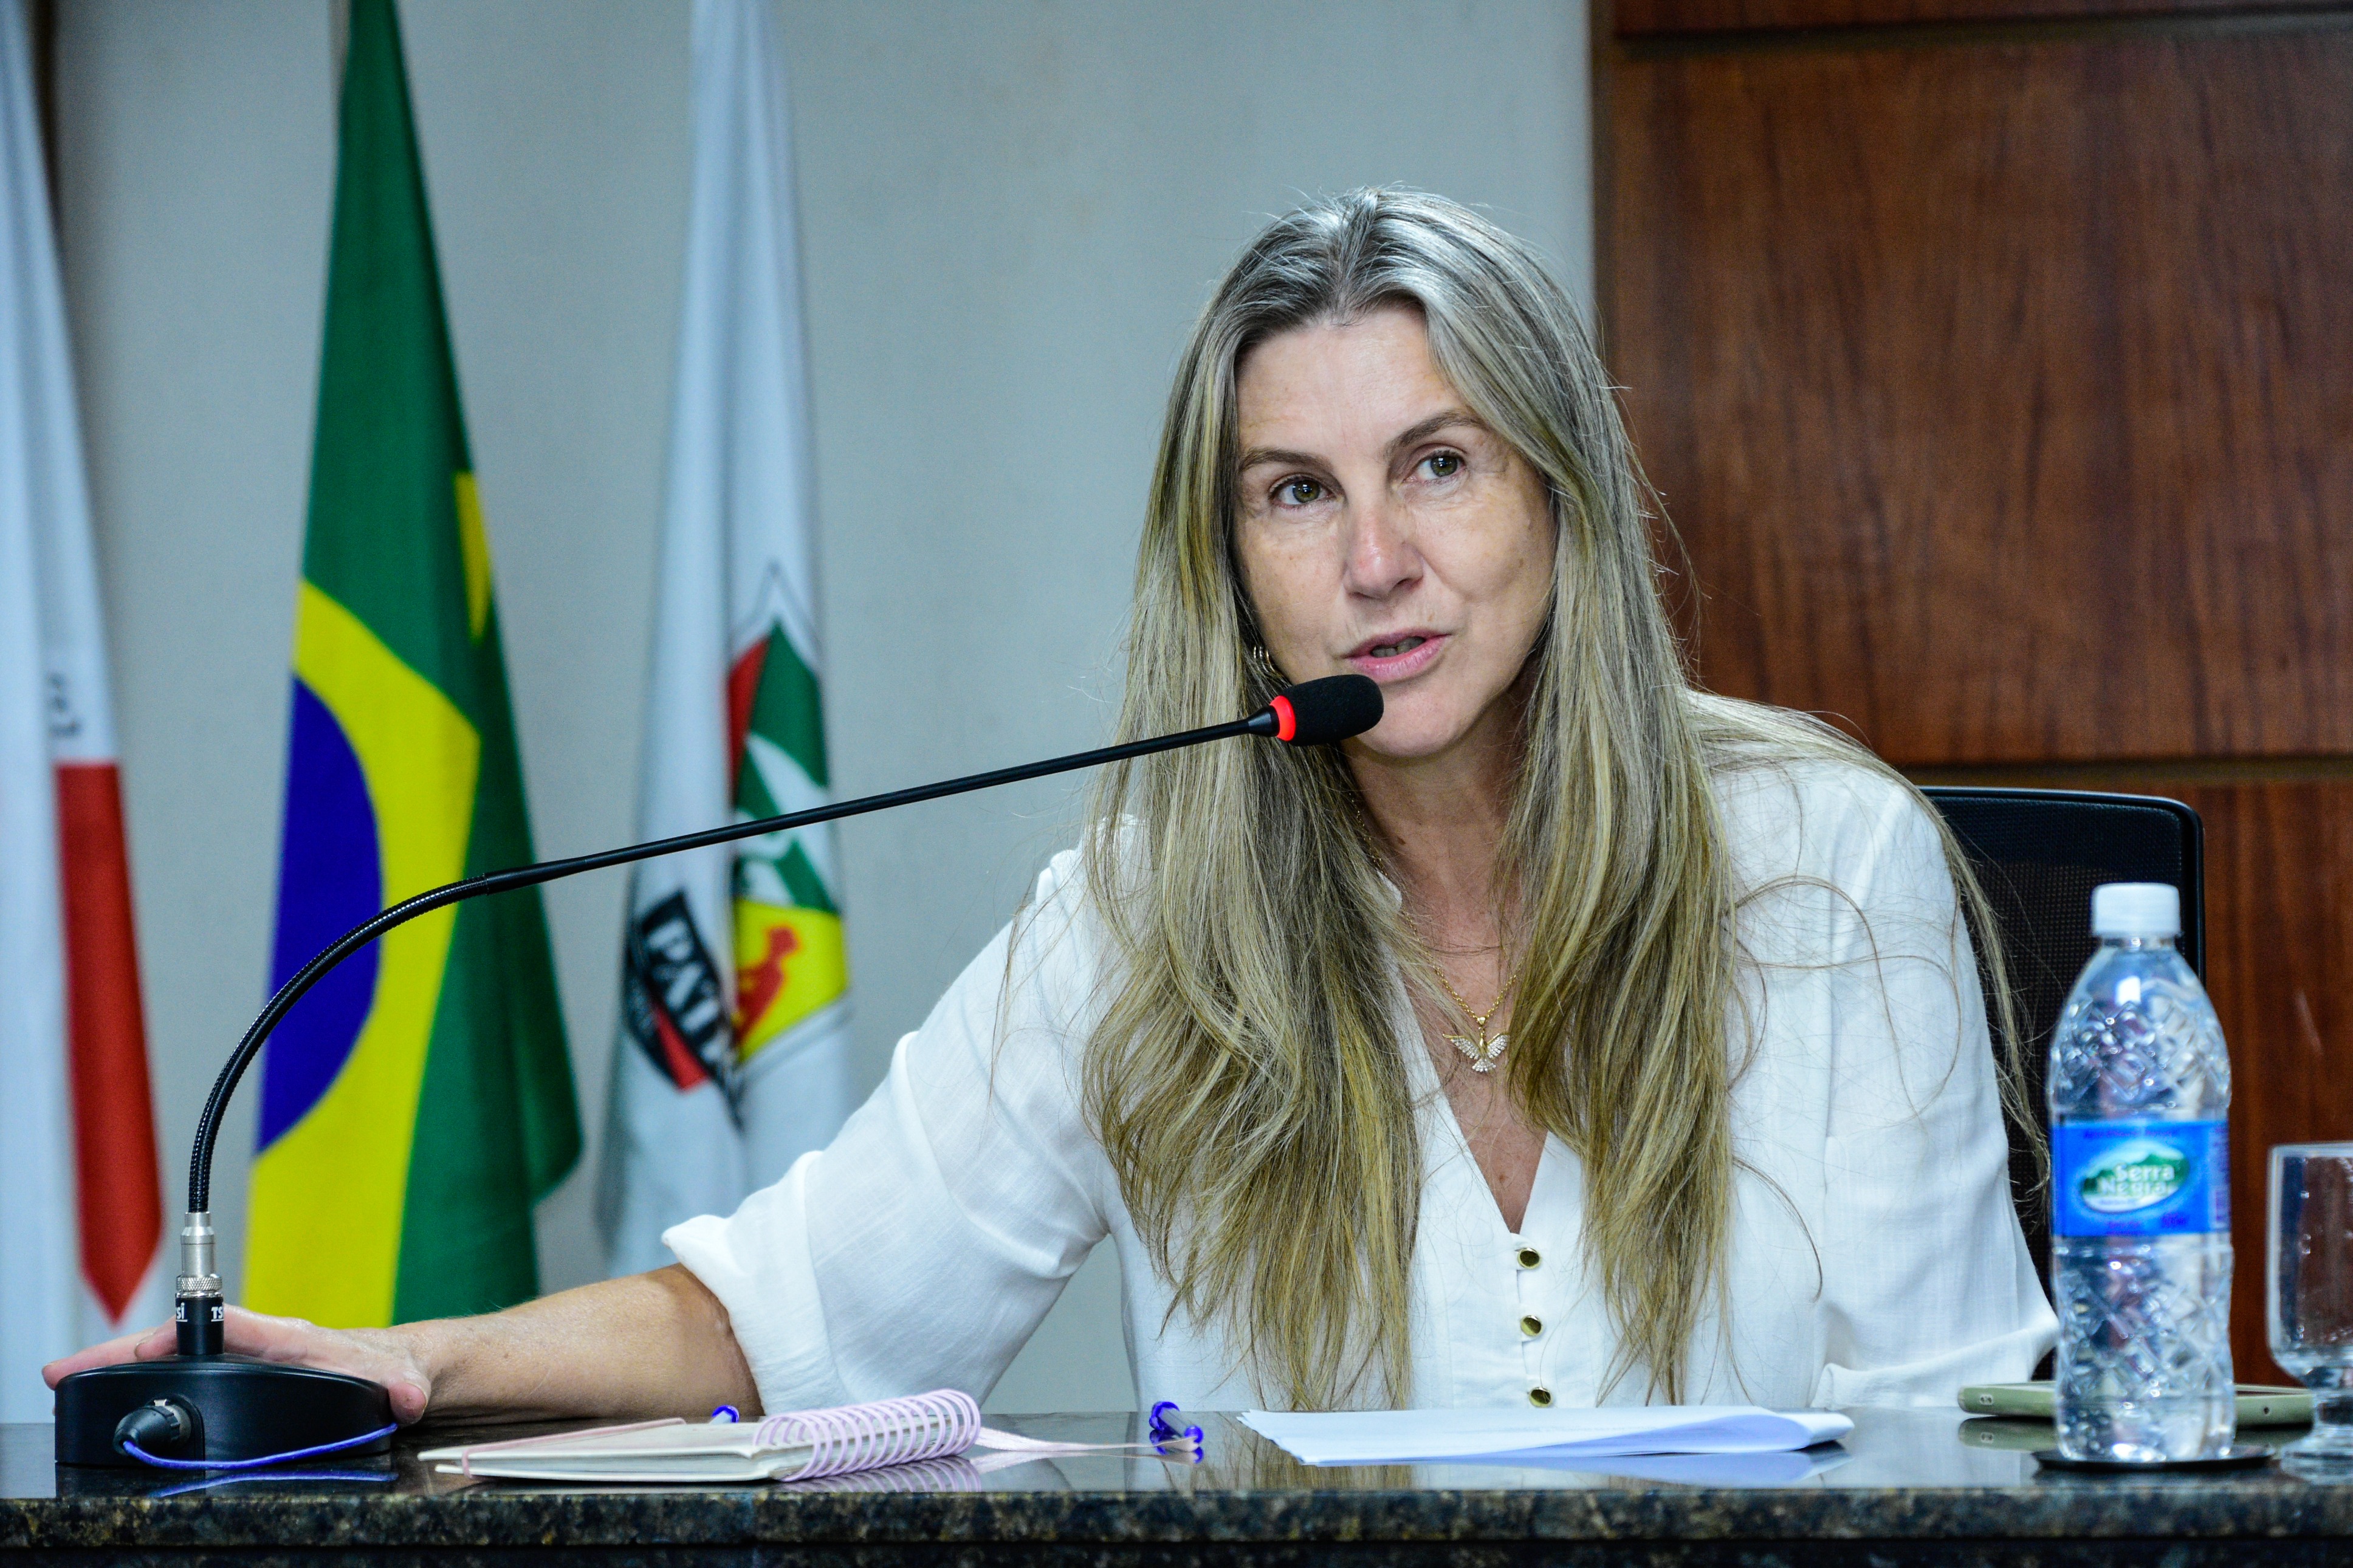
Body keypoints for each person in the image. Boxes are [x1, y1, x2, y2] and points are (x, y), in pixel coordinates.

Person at [48, 190, 2054, 1423]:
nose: (1377, 561)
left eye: (1439, 465)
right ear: (1234, 565)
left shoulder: (1824, 864)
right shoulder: (1147, 916)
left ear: (1561, 499)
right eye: (1297, 493)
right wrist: (420, 1361)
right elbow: (792, 1317)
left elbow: (1962, 1442)